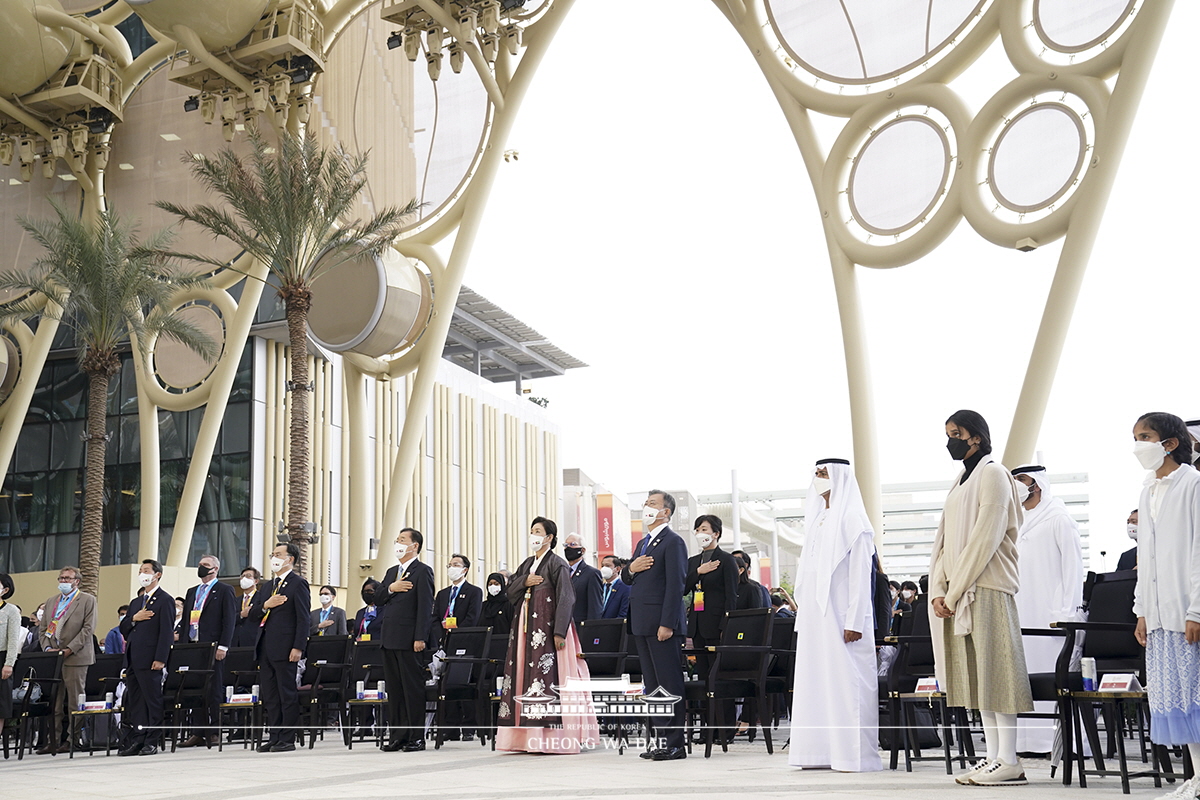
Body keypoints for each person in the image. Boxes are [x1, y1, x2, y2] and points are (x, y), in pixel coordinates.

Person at [931, 410, 1032, 786]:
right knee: (979, 676)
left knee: (998, 672)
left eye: (956, 433)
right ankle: (993, 757)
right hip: (959, 592)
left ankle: (1010, 759)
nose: (950, 441)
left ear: (975, 437)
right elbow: (943, 540)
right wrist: (940, 589)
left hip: (987, 587)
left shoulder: (993, 473)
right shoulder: (960, 480)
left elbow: (986, 538)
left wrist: (954, 591)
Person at [789, 458, 881, 772]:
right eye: (815, 474)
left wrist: (855, 621)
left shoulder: (854, 519)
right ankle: (818, 754)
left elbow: (860, 575)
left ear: (840, 479)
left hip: (844, 618)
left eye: (824, 474)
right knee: (816, 685)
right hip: (817, 620)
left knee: (847, 687)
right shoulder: (816, 520)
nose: (818, 479)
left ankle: (853, 756)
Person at [1129, 412, 1200, 800]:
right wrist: (1142, 611)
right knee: (1174, 696)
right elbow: (1147, 554)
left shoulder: (1193, 484)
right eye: (1136, 436)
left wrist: (1197, 610)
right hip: (1158, 613)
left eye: (1146, 436)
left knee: (1195, 695)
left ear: (1169, 443)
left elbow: (1199, 551)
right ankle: (1195, 776)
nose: (1138, 444)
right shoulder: (1148, 491)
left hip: (1185, 608)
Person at [496, 516, 598, 754]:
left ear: (549, 537)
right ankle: (522, 737)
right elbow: (510, 592)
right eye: (532, 530)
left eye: (538, 531)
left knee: (548, 676)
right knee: (524, 675)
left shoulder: (557, 563)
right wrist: (524, 581)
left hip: (548, 629)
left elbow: (566, 597)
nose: (533, 535)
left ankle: (552, 736)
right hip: (524, 629)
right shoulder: (526, 564)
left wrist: (560, 631)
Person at [1011, 464, 1085, 756]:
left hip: (1051, 613)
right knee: (1023, 674)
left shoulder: (1059, 518)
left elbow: (1072, 567)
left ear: (1037, 484)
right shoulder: (1016, 521)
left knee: (1049, 674)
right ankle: (1025, 743)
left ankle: (1050, 744)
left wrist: (1066, 612)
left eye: (1021, 480)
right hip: (1021, 610)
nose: (1016, 485)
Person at [622, 491, 688, 760]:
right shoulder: (643, 544)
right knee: (652, 685)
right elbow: (627, 578)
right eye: (646, 504)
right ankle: (660, 740)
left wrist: (667, 623)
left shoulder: (673, 542)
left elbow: (676, 585)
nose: (646, 508)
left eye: (652, 504)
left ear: (666, 512)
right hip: (641, 623)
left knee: (669, 683)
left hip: (661, 625)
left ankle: (675, 744)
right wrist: (631, 568)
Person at [377, 527, 434, 752]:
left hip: (410, 639)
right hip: (389, 638)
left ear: (414, 546)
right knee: (396, 690)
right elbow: (379, 597)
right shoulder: (392, 572)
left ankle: (416, 737)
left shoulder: (423, 571)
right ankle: (398, 736)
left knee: (412, 689)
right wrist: (392, 587)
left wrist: (420, 637)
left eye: (402, 540)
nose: (398, 543)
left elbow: (425, 607)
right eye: (397, 540)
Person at [249, 543, 310, 752]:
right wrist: (267, 604)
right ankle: (274, 735)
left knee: (286, 693)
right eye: (272, 554)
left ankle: (287, 738)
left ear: (290, 559)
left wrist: (298, 647)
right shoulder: (268, 586)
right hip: (265, 646)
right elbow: (254, 612)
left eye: (278, 554)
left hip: (286, 648)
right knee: (271, 695)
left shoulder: (298, 584)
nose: (273, 558)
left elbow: (303, 619)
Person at [37, 565, 97, 754]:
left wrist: (69, 649)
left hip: (76, 657)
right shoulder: (52, 601)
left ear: (77, 581)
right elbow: (43, 628)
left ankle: (73, 739)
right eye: (61, 578)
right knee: (55, 703)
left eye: (67, 578)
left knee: (74, 702)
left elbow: (88, 629)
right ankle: (53, 740)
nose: (63, 581)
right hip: (54, 657)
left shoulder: (87, 600)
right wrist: (47, 647)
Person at [180, 553, 238, 748]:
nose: (201, 567)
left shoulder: (224, 590)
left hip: (213, 647)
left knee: (213, 689)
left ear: (215, 569)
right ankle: (197, 731)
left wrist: (223, 645)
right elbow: (187, 618)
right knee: (195, 689)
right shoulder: (192, 591)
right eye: (199, 564)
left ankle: (214, 731)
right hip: (193, 645)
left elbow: (229, 620)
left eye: (205, 565)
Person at [119, 559, 175, 756]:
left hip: (152, 659)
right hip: (134, 658)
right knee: (136, 701)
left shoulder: (165, 600)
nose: (142, 574)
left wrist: (161, 658)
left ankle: (152, 739)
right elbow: (124, 628)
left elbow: (166, 632)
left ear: (157, 574)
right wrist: (134, 618)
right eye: (140, 570)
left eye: (146, 570)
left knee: (152, 700)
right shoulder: (136, 603)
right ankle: (138, 739)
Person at [685, 514, 738, 683]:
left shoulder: (727, 560)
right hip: (697, 622)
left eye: (704, 529)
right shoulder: (693, 562)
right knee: (702, 673)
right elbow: (683, 588)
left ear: (716, 533)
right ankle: (706, 708)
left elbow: (731, 595)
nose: (700, 533)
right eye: (698, 529)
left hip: (716, 623)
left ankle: (721, 709)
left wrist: (726, 625)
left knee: (718, 673)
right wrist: (699, 572)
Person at [431, 554, 482, 651]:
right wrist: (440, 635)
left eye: (455, 565)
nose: (451, 568)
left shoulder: (474, 591)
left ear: (465, 570)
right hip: (443, 639)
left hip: (463, 639)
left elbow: (472, 617)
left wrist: (457, 633)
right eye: (449, 565)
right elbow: (435, 617)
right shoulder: (442, 594)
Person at [564, 533, 604, 624]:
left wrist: (591, 629)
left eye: (573, 544)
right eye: (566, 545)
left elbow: (595, 607)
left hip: (580, 626)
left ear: (582, 550)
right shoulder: (562, 572)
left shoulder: (591, 573)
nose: (568, 548)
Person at [0, 573, 21, 735]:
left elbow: (13, 640)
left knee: (0, 706)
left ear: (5, 590)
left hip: (2, 659)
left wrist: (9, 664)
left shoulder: (11, 610)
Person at [232, 566, 266, 648]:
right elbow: (230, 618)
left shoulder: (262, 598)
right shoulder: (235, 600)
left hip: (254, 642)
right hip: (235, 642)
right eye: (242, 576)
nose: (244, 579)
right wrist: (241, 615)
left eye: (248, 576)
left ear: (256, 581)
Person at [599, 556, 631, 620]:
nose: (604, 568)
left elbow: (623, 613)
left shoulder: (625, 588)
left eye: (607, 566)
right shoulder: (600, 587)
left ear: (617, 569)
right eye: (602, 566)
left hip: (614, 626)